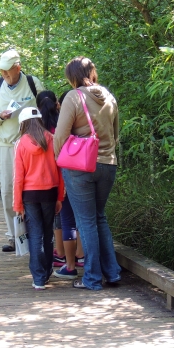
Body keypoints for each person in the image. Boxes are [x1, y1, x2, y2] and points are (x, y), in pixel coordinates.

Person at [54, 56, 121, 290]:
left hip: (80, 166)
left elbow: (61, 135)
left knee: (86, 221)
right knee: (99, 217)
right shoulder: (109, 97)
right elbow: (115, 133)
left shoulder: (74, 97)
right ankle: (112, 273)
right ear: (92, 72)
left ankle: (92, 278)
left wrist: (58, 158)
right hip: (108, 164)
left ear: (72, 77)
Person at [0, 49, 45, 252]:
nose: (5, 76)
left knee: (34, 190)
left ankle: (37, 234)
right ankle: (14, 235)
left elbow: (47, 109)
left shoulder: (33, 83)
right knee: (9, 190)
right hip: (7, 145)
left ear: (18, 67)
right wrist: (0, 116)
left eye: (8, 72)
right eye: (2, 72)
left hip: (33, 146)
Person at [13, 107, 64, 290]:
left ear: (23, 123)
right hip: (50, 193)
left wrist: (17, 203)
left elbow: (18, 177)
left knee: (35, 234)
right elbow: (60, 170)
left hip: (30, 195)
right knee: (48, 233)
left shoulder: (21, 143)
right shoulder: (51, 139)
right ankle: (47, 270)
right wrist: (60, 196)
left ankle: (38, 278)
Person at [36, 90, 84, 278]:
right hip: (78, 174)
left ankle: (65, 259)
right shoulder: (69, 125)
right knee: (81, 219)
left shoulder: (40, 130)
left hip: (56, 180)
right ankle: (81, 255)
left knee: (64, 221)